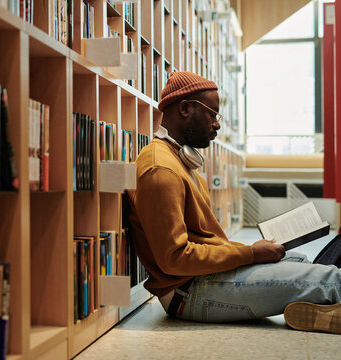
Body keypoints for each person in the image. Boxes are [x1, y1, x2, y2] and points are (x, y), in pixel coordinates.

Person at [126, 71, 341, 334]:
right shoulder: (161, 168)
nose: (217, 125)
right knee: (330, 279)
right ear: (185, 108)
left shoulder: (180, 161)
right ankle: (326, 304)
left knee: (298, 260)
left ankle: (325, 310)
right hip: (188, 291)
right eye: (212, 114)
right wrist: (250, 254)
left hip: (205, 278)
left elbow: (204, 242)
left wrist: (251, 252)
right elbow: (174, 259)